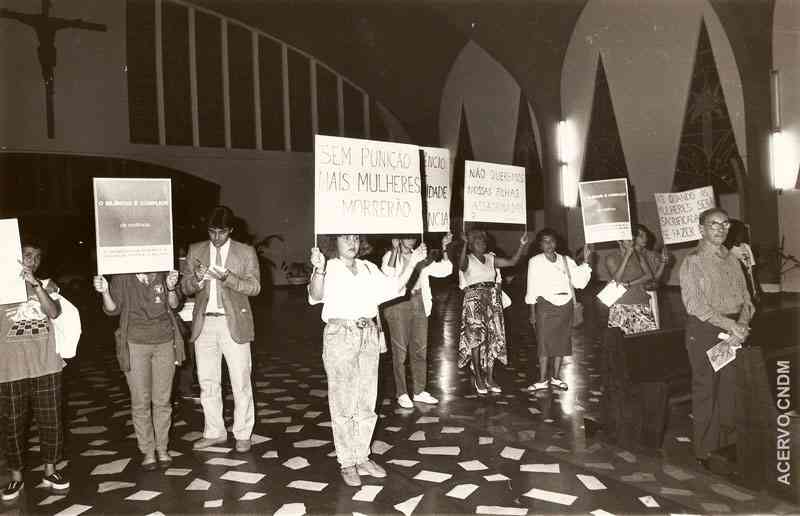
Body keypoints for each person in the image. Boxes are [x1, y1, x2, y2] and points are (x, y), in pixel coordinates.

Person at [309, 234, 426, 486]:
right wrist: (318, 270)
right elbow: (315, 295)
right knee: (343, 401)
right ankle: (347, 462)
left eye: (355, 237)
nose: (352, 242)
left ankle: (362, 456)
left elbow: (395, 289)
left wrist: (414, 262)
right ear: (333, 242)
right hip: (340, 334)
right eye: (345, 237)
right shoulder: (328, 266)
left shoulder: (368, 268)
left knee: (366, 400)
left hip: (369, 334)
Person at [181, 206, 261, 453]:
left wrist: (229, 278)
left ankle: (243, 433)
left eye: (221, 232)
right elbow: (184, 288)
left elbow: (255, 287)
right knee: (208, 382)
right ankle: (214, 432)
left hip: (233, 322)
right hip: (204, 323)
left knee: (240, 381)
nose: (216, 238)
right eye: (212, 232)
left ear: (231, 230)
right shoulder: (196, 250)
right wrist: (196, 279)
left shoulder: (245, 252)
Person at [680, 208, 753, 468]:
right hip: (705, 330)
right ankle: (705, 450)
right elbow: (694, 305)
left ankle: (727, 445)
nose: (721, 229)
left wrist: (742, 323)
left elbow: (746, 298)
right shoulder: (693, 261)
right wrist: (731, 325)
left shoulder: (733, 259)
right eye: (714, 224)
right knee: (706, 390)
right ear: (701, 229)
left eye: (725, 224)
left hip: (733, 330)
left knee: (729, 388)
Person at [0, 238, 70, 501]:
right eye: (28, 255)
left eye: (37, 257)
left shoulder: (48, 284)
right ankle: (16, 478)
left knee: (50, 421)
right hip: (10, 368)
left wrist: (36, 286)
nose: (33, 260)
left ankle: (50, 470)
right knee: (13, 425)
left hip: (46, 365)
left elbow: (53, 312)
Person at [93, 270, 184, 470]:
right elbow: (112, 310)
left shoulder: (163, 270)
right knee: (140, 400)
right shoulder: (122, 276)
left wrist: (170, 287)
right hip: (134, 342)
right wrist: (105, 291)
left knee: (162, 400)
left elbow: (176, 304)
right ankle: (148, 451)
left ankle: (162, 448)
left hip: (165, 341)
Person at [382, 233, 453, 408]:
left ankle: (420, 391)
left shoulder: (420, 255)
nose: (411, 239)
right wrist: (395, 249)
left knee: (420, 349)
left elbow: (445, 270)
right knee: (400, 352)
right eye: (406, 236)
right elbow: (388, 276)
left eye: (413, 236)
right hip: (398, 304)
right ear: (398, 237)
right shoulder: (390, 256)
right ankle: (402, 393)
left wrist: (445, 247)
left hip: (419, 300)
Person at [458, 229, 528, 394]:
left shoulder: (491, 258)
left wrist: (521, 245)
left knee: (492, 338)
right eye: (477, 241)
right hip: (473, 301)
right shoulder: (467, 259)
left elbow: (512, 262)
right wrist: (464, 243)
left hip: (492, 300)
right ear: (471, 244)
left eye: (483, 241)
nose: (481, 244)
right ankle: (478, 377)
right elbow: (460, 266)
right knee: (475, 340)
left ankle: (489, 377)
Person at [525, 228, 592, 391]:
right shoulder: (535, 261)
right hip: (545, 306)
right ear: (540, 244)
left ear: (556, 243)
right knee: (544, 344)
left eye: (552, 240)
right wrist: (532, 312)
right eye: (545, 241)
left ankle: (555, 377)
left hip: (566, 305)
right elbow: (532, 288)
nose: (549, 244)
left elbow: (579, 283)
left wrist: (587, 261)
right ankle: (542, 379)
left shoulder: (565, 260)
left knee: (562, 343)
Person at [604, 224, 668, 335]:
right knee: (624, 344)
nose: (631, 243)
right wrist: (626, 257)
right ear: (619, 241)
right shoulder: (611, 257)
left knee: (645, 340)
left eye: (632, 240)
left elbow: (649, 276)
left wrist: (630, 283)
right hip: (622, 304)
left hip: (641, 302)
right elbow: (617, 280)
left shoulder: (638, 256)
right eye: (628, 240)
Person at [724, 219, 761, 306]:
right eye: (740, 232)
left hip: (749, 284)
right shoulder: (727, 250)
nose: (742, 235)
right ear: (733, 233)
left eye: (743, 232)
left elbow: (753, 268)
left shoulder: (746, 247)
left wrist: (756, 288)